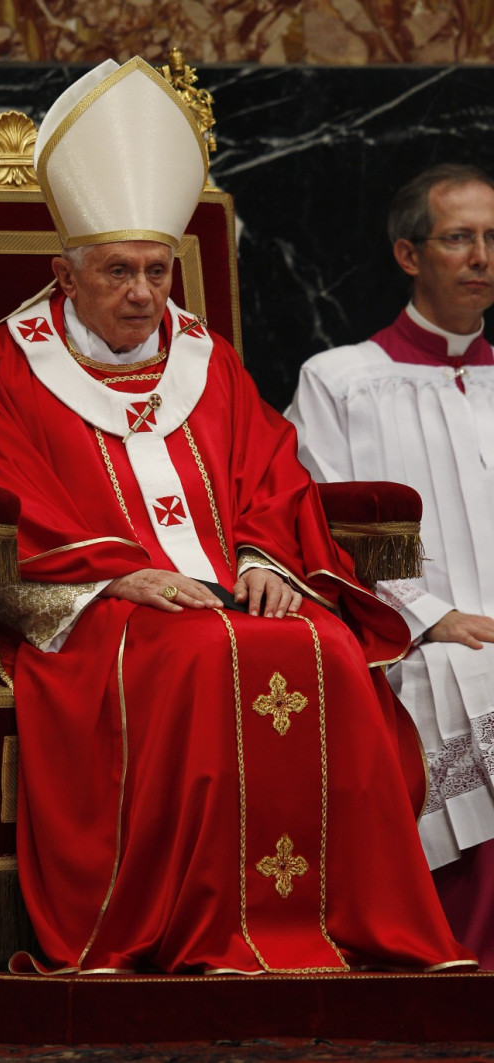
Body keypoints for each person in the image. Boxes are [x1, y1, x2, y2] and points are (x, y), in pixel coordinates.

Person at [0, 61, 475, 975]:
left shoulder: (207, 357)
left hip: (227, 589)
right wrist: (121, 574)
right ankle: (189, 930)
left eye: (157, 269)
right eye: (118, 271)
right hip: (93, 605)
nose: (145, 293)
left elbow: (272, 473)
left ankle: (347, 932)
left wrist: (269, 555)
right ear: (63, 272)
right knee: (203, 652)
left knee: (330, 649)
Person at [285, 162, 494, 968]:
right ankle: (464, 964)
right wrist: (430, 615)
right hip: (409, 645)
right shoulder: (339, 381)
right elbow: (321, 525)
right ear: (409, 255)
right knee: (474, 680)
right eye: (459, 238)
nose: (481, 256)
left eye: (491, 238)